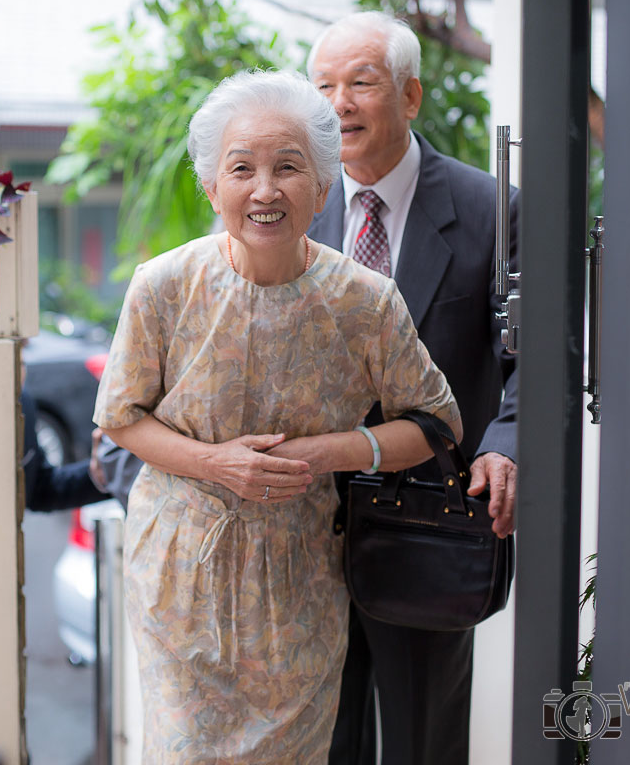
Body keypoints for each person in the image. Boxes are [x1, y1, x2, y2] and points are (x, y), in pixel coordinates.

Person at [93, 70, 462, 765]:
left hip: (300, 581)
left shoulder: (365, 301)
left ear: (323, 188)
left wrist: (327, 453)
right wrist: (215, 463)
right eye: (242, 169)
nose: (265, 191)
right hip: (180, 575)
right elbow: (120, 417)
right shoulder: (166, 286)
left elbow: (437, 425)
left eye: (288, 168)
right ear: (212, 186)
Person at [305, 11, 520, 765]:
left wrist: (508, 446)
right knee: (324, 741)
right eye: (324, 86)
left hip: (430, 518)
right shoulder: (294, 208)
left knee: (425, 741)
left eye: (361, 83)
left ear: (411, 95)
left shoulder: (496, 210)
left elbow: (535, 358)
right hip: (308, 525)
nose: (339, 104)